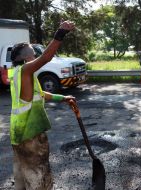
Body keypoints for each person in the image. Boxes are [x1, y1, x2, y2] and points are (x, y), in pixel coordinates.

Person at [8, 20, 76, 190]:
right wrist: (61, 32)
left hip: (18, 134)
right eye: (33, 54)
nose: (36, 56)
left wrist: (63, 97)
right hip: (29, 135)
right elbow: (46, 57)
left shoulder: (19, 75)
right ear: (25, 59)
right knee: (38, 175)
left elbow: (41, 95)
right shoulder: (24, 70)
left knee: (22, 175)